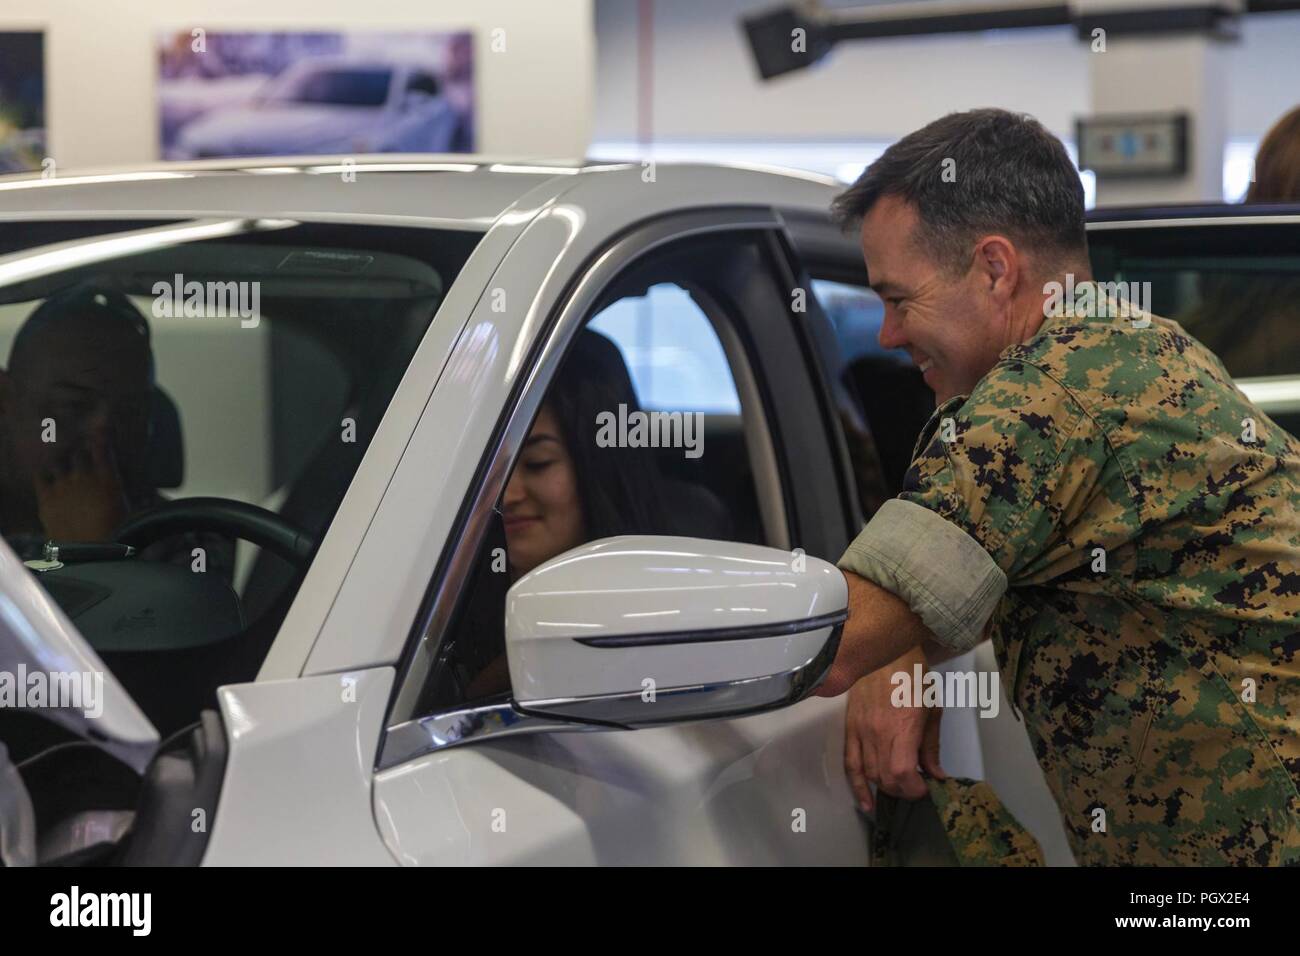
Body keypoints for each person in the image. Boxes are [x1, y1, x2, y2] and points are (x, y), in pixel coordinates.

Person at [817, 108, 1300, 866]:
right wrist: (903, 650)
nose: (886, 335)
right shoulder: (1144, 346)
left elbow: (834, 642)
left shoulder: (1047, 398)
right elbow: (995, 562)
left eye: (898, 299)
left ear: (995, 269)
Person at [451, 328, 727, 700]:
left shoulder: (661, 621)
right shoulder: (442, 603)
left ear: (599, 468)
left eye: (537, 463)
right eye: (491, 469)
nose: (508, 494)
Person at [0, 285, 233, 577]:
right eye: (72, 405)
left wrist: (96, 550)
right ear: (5, 399)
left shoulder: (188, 540)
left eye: (130, 412)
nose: (102, 435)